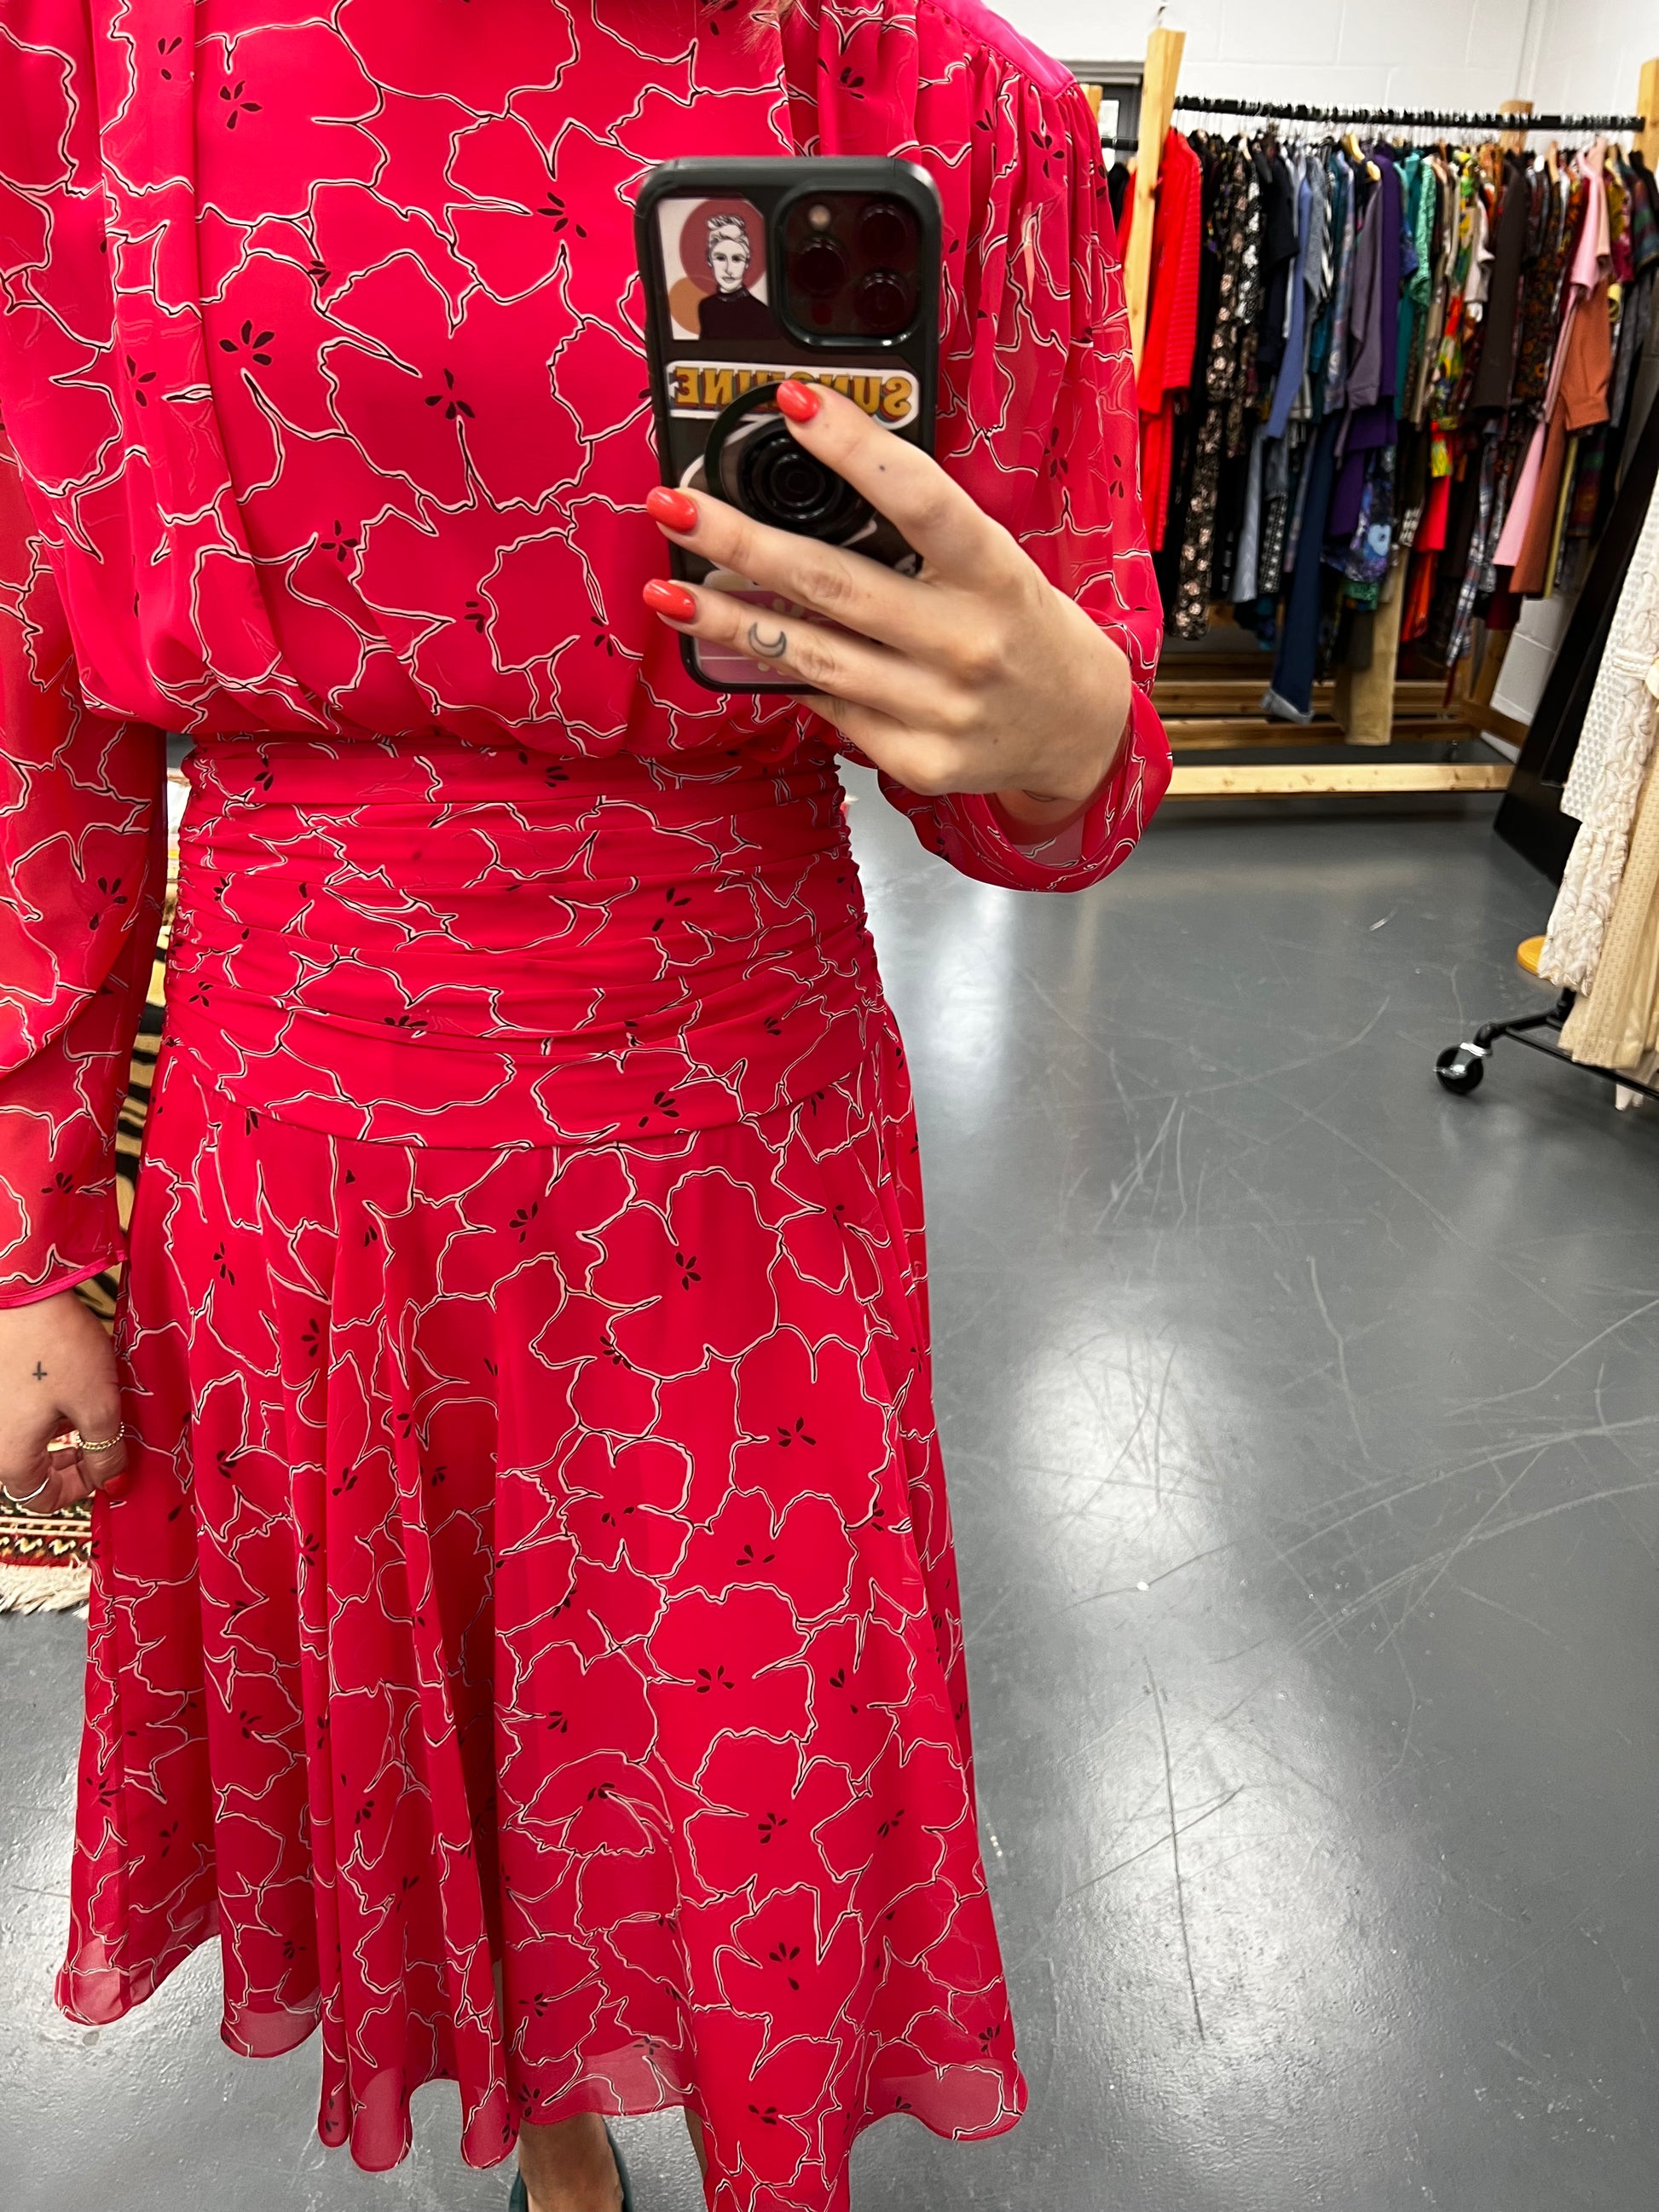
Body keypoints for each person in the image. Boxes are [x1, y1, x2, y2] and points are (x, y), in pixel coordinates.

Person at [0, 0, 1170, 2208]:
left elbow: (1054, 774)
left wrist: (1067, 722)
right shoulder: (84, 62)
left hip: (728, 1161)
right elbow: (27, 697)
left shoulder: (944, 103)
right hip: (301, 1153)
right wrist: (26, 1220)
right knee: (444, 1749)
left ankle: (744, 2141)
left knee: (750, 1774)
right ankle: (554, 2141)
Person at [697, 214, 774, 339]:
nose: (728, 270)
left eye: (737, 259)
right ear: (709, 260)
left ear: (747, 263)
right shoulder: (706, 307)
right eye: (720, 258)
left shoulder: (762, 313)